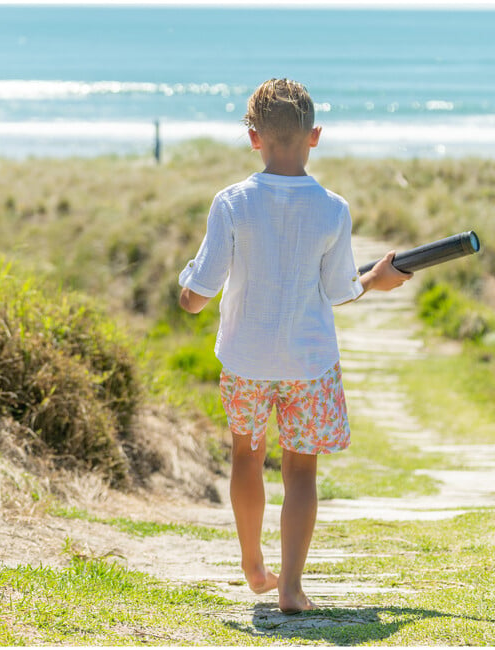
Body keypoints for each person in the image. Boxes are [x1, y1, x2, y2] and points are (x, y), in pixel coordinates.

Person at [178, 78, 412, 613]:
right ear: (316, 136)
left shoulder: (231, 203)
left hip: (244, 360)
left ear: (254, 138)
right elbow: (338, 291)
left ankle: (252, 563)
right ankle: (291, 587)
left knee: (246, 454)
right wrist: (376, 279)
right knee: (300, 471)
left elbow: (198, 294)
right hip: (309, 363)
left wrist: (185, 293)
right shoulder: (333, 209)